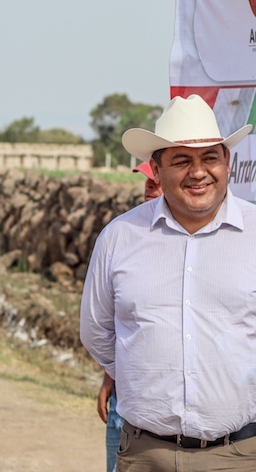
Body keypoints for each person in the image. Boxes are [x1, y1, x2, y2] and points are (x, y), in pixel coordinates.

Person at [80, 94, 256, 471]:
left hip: (241, 456)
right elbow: (97, 331)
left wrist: (244, 374)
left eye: (209, 157)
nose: (198, 172)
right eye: (181, 160)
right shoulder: (119, 238)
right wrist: (144, 369)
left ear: (227, 163)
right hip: (146, 455)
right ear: (156, 169)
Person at [99, 160, 162, 472]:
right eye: (148, 180)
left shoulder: (192, 247)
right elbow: (112, 322)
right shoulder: (124, 236)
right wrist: (111, 376)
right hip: (124, 398)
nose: (149, 186)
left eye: (156, 180)